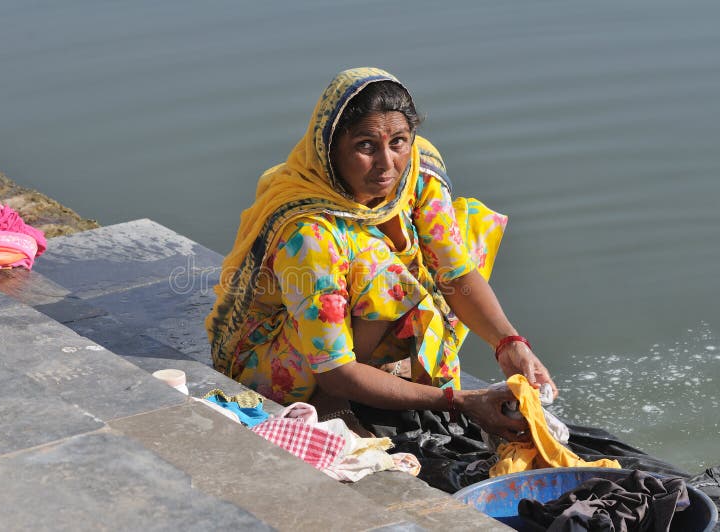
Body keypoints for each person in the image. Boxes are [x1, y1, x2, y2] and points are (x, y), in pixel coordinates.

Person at [206, 67, 558, 442]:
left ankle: (385, 370)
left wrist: (509, 345)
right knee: (382, 272)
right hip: (289, 362)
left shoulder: (419, 173)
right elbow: (335, 369)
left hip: (353, 330)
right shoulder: (307, 230)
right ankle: (332, 404)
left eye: (399, 142)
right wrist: (459, 401)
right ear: (330, 149)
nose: (387, 165)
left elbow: (455, 274)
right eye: (365, 146)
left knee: (467, 231)